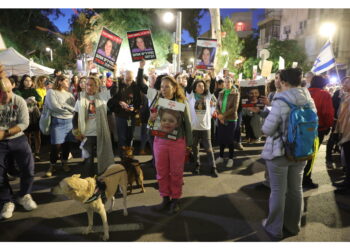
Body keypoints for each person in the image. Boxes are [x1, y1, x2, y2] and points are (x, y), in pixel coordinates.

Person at [261, 68, 317, 239]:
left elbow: (267, 129)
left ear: (284, 82)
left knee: (278, 191)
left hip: (280, 151)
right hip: (301, 151)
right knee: (296, 190)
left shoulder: (280, 100)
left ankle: (274, 228)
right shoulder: (308, 99)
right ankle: (293, 226)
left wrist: (266, 117)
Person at [137, 60, 192, 214]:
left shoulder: (182, 102)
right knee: (161, 171)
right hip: (159, 141)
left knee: (176, 172)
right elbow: (151, 122)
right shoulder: (157, 101)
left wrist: (189, 144)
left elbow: (187, 124)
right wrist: (152, 119)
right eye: (161, 87)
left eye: (167, 86)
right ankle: (165, 198)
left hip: (177, 143)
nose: (164, 89)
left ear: (174, 88)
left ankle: (175, 200)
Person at [0, 65, 38, 220]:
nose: (7, 95)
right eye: (3, 92)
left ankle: (24, 195)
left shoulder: (19, 100)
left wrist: (6, 132)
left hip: (17, 138)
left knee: (28, 168)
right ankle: (6, 201)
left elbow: (24, 123)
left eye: (9, 91)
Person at [72, 76, 114, 178]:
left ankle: (103, 182)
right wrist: (77, 133)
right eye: (87, 84)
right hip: (86, 134)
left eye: (91, 85)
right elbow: (74, 118)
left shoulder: (103, 97)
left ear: (97, 86)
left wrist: (114, 72)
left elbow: (114, 89)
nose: (88, 87)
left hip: (101, 133)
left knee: (104, 159)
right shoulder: (80, 99)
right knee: (88, 161)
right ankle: (88, 183)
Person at [303, 76, 334, 189]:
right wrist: (328, 126)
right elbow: (327, 112)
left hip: (302, 127)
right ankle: (306, 179)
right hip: (318, 128)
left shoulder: (304, 92)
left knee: (301, 152)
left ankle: (298, 177)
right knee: (311, 155)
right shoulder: (324, 94)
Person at [186, 69, 218, 177]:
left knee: (209, 149)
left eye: (203, 86)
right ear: (195, 88)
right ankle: (196, 166)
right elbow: (188, 86)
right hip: (194, 127)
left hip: (206, 128)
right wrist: (192, 76)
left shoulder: (208, 96)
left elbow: (212, 87)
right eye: (199, 86)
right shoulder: (190, 96)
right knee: (195, 149)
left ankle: (213, 167)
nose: (201, 87)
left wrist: (213, 77)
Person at [44, 75, 76, 177]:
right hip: (58, 121)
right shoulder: (51, 92)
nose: (68, 82)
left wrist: (66, 107)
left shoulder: (69, 94)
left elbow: (75, 107)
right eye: (66, 80)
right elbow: (54, 106)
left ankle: (64, 162)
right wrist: (69, 109)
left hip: (70, 122)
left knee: (67, 144)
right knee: (55, 146)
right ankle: (52, 165)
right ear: (60, 82)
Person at [108, 67, 142, 156]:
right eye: (127, 80)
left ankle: (129, 154)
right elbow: (111, 100)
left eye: (130, 80)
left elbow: (138, 102)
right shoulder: (119, 86)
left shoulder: (135, 87)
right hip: (120, 116)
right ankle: (122, 156)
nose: (128, 82)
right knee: (122, 137)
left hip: (131, 117)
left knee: (130, 136)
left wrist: (133, 108)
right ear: (123, 77)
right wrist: (120, 102)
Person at [15, 75, 42, 161]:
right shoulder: (18, 91)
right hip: (24, 114)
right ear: (22, 82)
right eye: (26, 80)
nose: (28, 82)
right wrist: (26, 100)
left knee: (37, 134)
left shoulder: (33, 90)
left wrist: (35, 99)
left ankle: (37, 152)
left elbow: (39, 98)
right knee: (27, 135)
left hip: (34, 113)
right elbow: (17, 100)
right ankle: (29, 152)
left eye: (30, 80)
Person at [215, 76, 240, 168]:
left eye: (229, 82)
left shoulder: (236, 93)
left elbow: (234, 108)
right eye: (225, 82)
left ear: (232, 83)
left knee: (230, 140)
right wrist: (219, 116)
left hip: (231, 120)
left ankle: (230, 158)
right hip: (221, 119)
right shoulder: (221, 92)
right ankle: (221, 156)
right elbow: (217, 105)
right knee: (221, 139)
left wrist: (223, 116)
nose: (227, 83)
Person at [333, 76, 350, 194]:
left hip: (349, 133)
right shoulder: (346, 96)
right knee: (347, 160)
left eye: (347, 83)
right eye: (343, 82)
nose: (344, 84)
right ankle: (347, 182)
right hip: (345, 131)